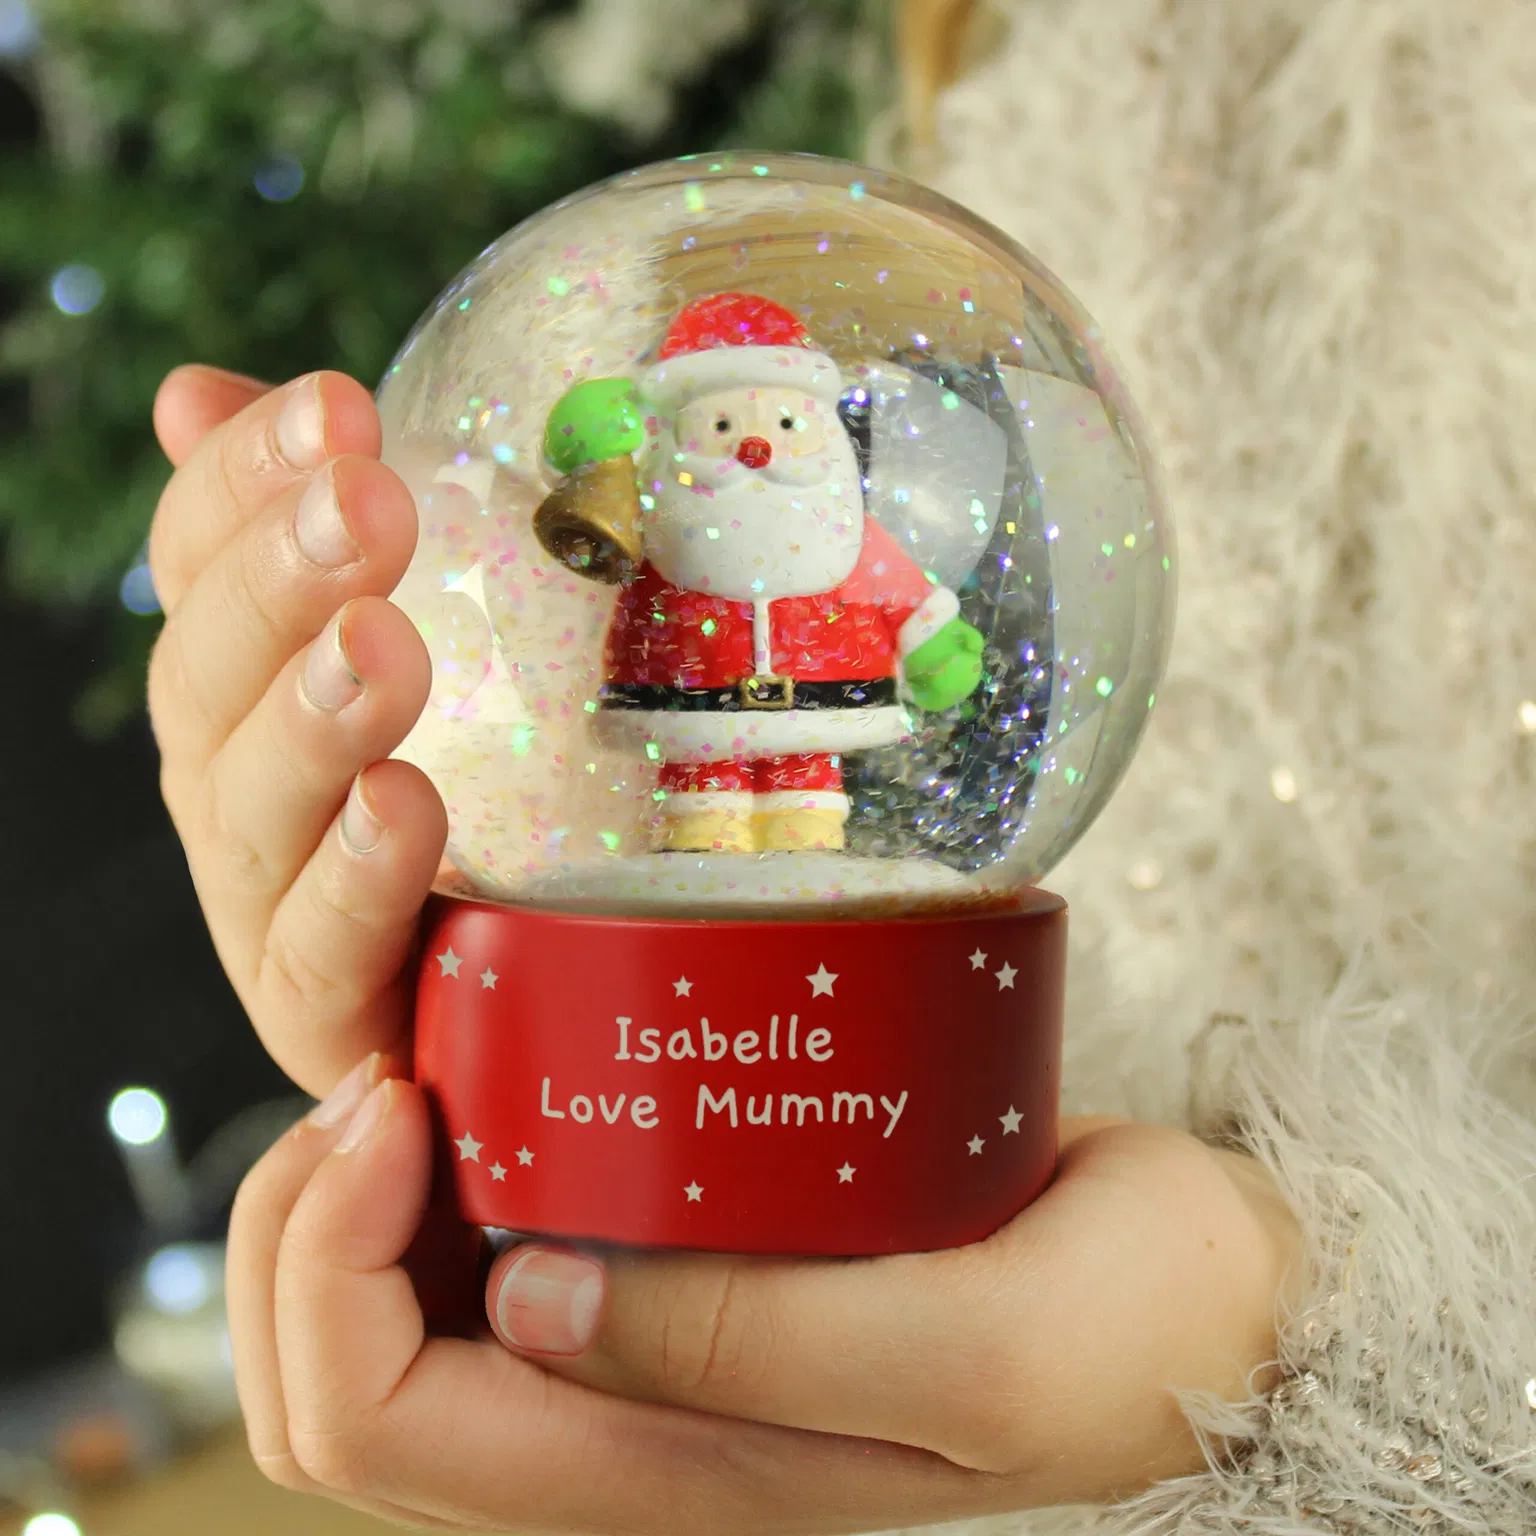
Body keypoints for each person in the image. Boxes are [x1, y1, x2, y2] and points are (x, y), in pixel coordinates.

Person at [147, 0, 1536, 1530]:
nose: (752, 449)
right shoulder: (996, 61)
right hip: (705, 773)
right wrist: (476, 897)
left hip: (847, 771)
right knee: (731, 823)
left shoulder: (855, 529)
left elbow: (928, 610)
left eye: (777, 422)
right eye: (726, 427)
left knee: (800, 809)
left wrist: (1348, 1344)